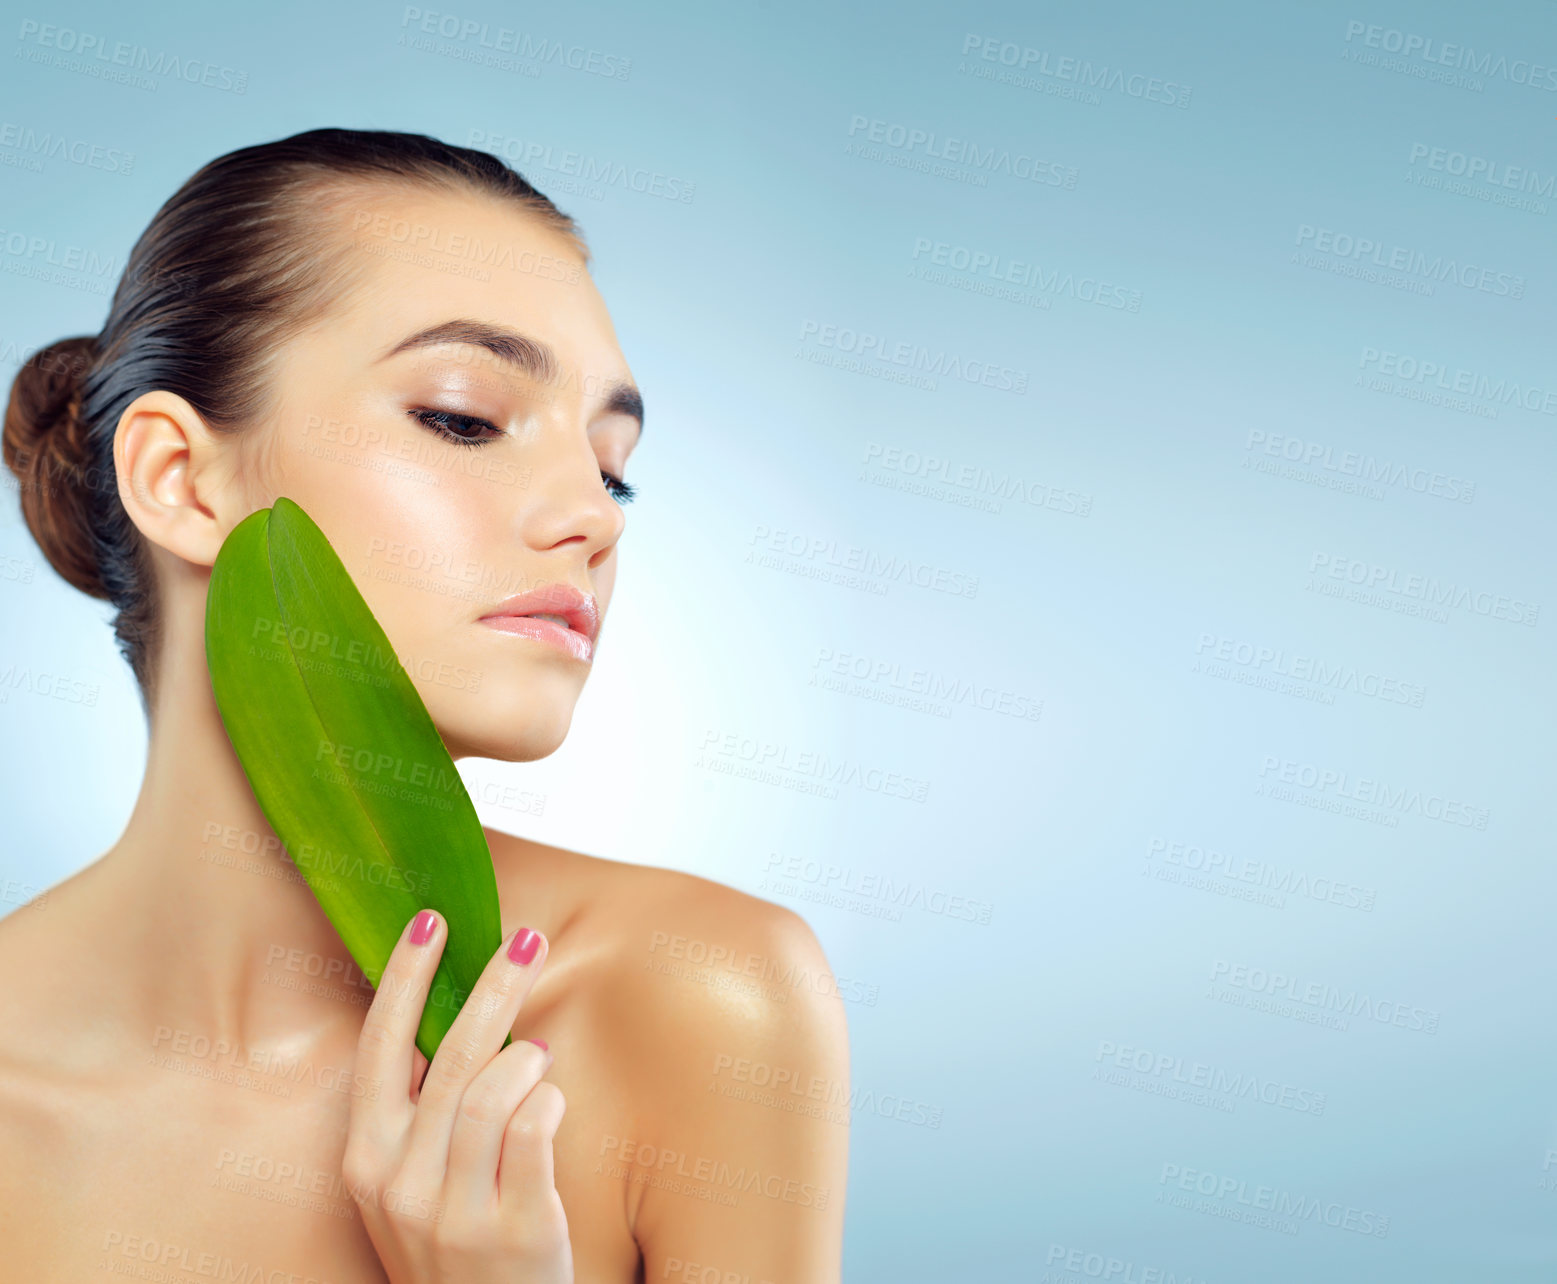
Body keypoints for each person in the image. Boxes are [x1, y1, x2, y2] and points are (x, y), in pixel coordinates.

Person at [0, 128, 849, 1282]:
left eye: (614, 464)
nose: (596, 518)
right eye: (464, 417)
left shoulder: (701, 1001)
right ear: (180, 480)